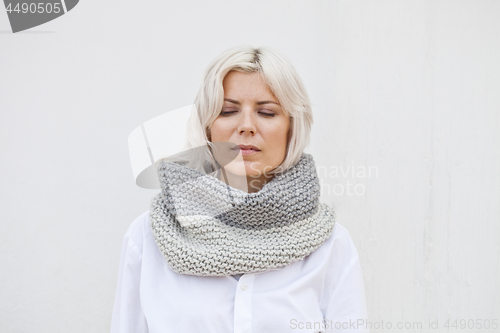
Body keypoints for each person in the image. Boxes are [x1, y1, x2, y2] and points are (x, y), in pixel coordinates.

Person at [111, 46, 369, 332]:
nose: (246, 126)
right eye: (228, 111)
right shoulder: (148, 237)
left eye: (267, 112)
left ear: (291, 129)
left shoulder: (332, 246)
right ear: (206, 125)